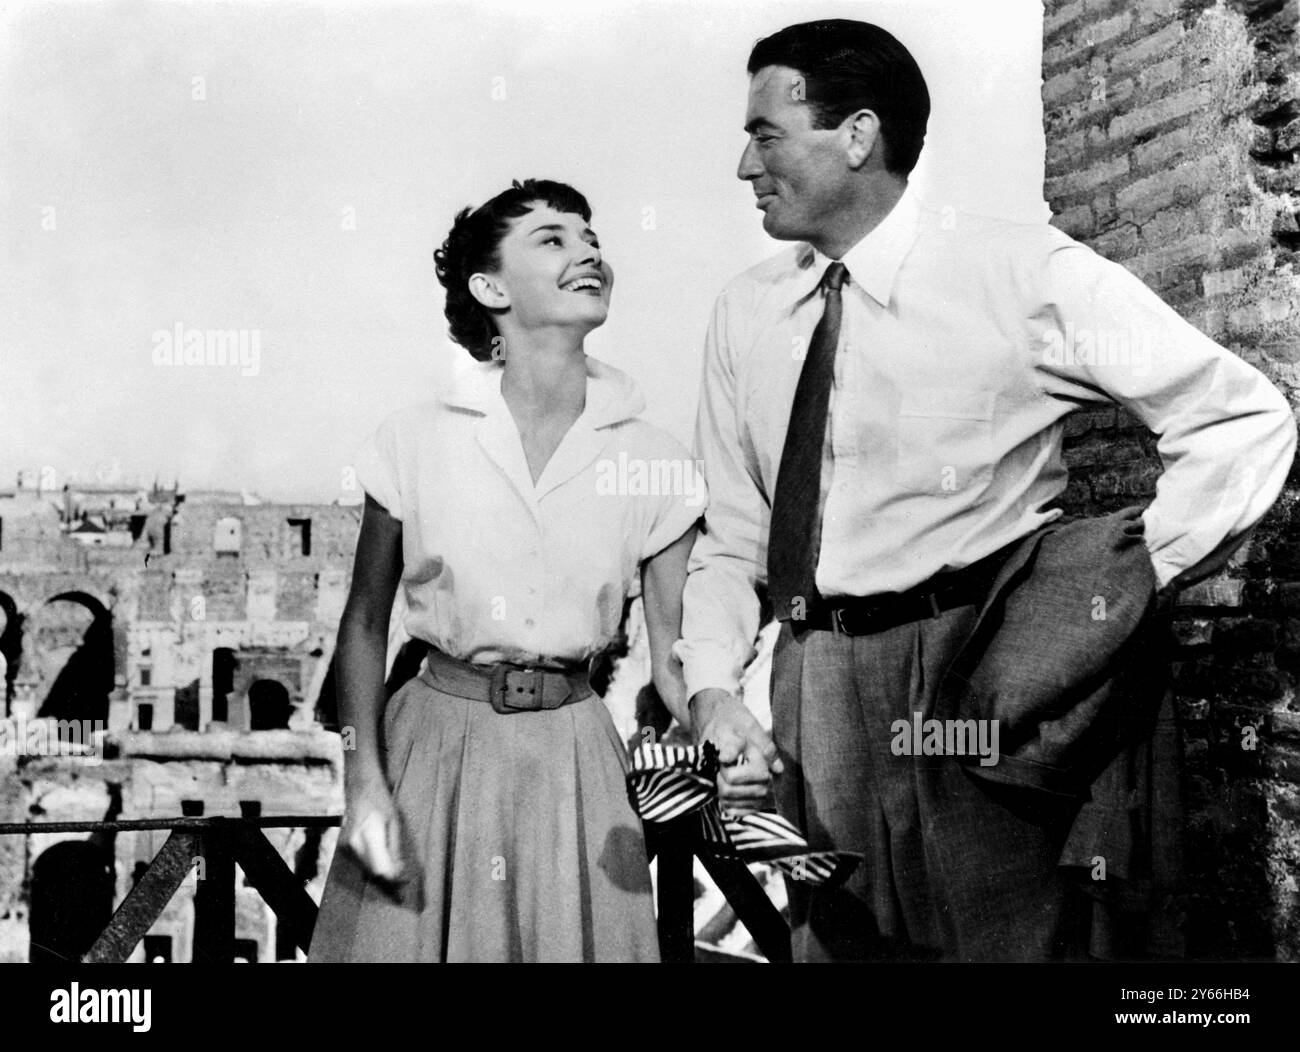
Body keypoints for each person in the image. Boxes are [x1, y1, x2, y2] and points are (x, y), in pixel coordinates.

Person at [675, 20, 1297, 961]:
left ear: (857, 135)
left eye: (765, 133)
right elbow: (733, 535)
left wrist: (1113, 589)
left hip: (977, 681)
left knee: (1009, 945)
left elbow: (1241, 421)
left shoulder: (1017, 271)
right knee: (836, 947)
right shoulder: (746, 312)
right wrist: (716, 691)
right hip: (814, 688)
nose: (742, 165)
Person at [310, 178, 704, 962]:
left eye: (590, 235)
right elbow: (363, 626)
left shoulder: (656, 459)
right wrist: (363, 786)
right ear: (489, 288)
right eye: (552, 239)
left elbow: (676, 656)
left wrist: (715, 735)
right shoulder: (414, 440)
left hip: (577, 769)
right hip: (431, 756)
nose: (588, 249)